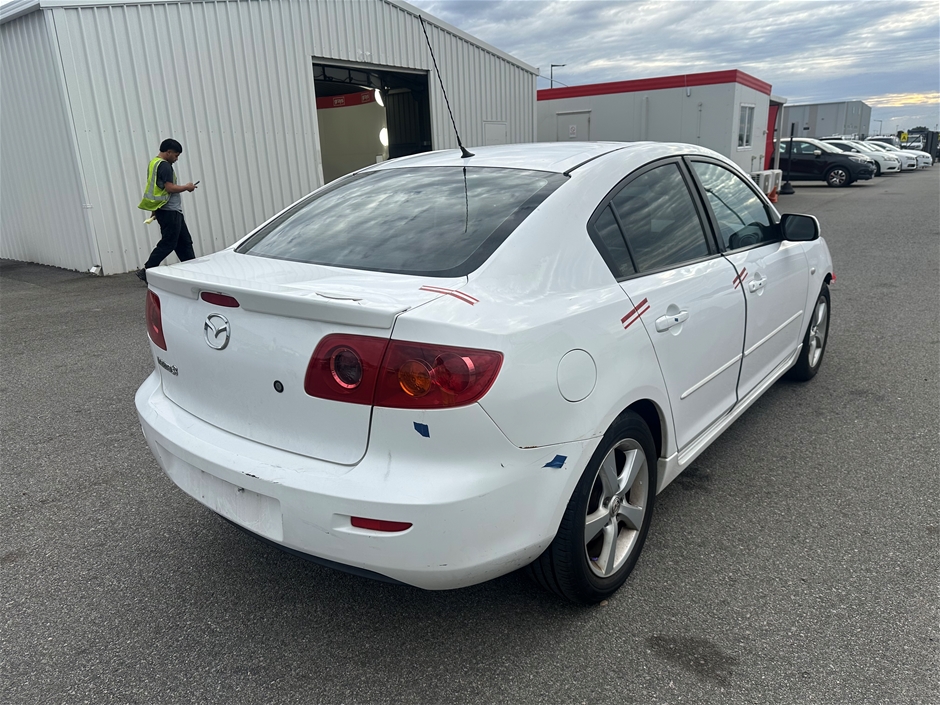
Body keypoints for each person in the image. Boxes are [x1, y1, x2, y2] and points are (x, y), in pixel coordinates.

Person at [136, 138, 198, 282]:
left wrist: (155, 209)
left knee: (184, 241)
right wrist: (187, 187)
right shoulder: (164, 166)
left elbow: (156, 188)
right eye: (176, 155)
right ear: (168, 152)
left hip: (167, 209)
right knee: (169, 242)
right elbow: (169, 188)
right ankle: (147, 270)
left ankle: (193, 269)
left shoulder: (154, 163)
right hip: (170, 211)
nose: (176, 159)